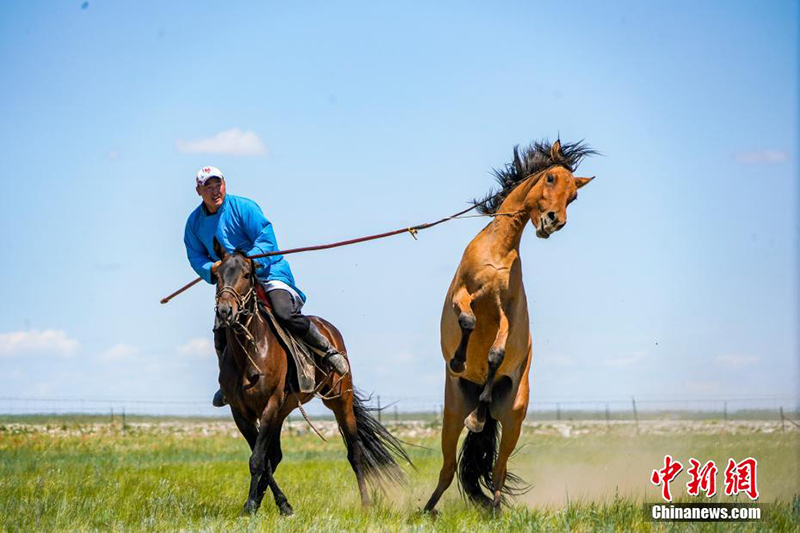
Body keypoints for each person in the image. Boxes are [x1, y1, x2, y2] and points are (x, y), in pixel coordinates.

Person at [184, 166, 349, 407]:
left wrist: (249, 260)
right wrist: (211, 268)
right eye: (207, 187)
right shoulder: (194, 223)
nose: (214, 191)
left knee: (284, 311)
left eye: (217, 184)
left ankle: (327, 351)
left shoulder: (244, 208)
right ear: (198, 191)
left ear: (224, 184)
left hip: (268, 272)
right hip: (233, 285)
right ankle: (227, 385)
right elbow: (195, 256)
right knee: (220, 328)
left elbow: (266, 237)